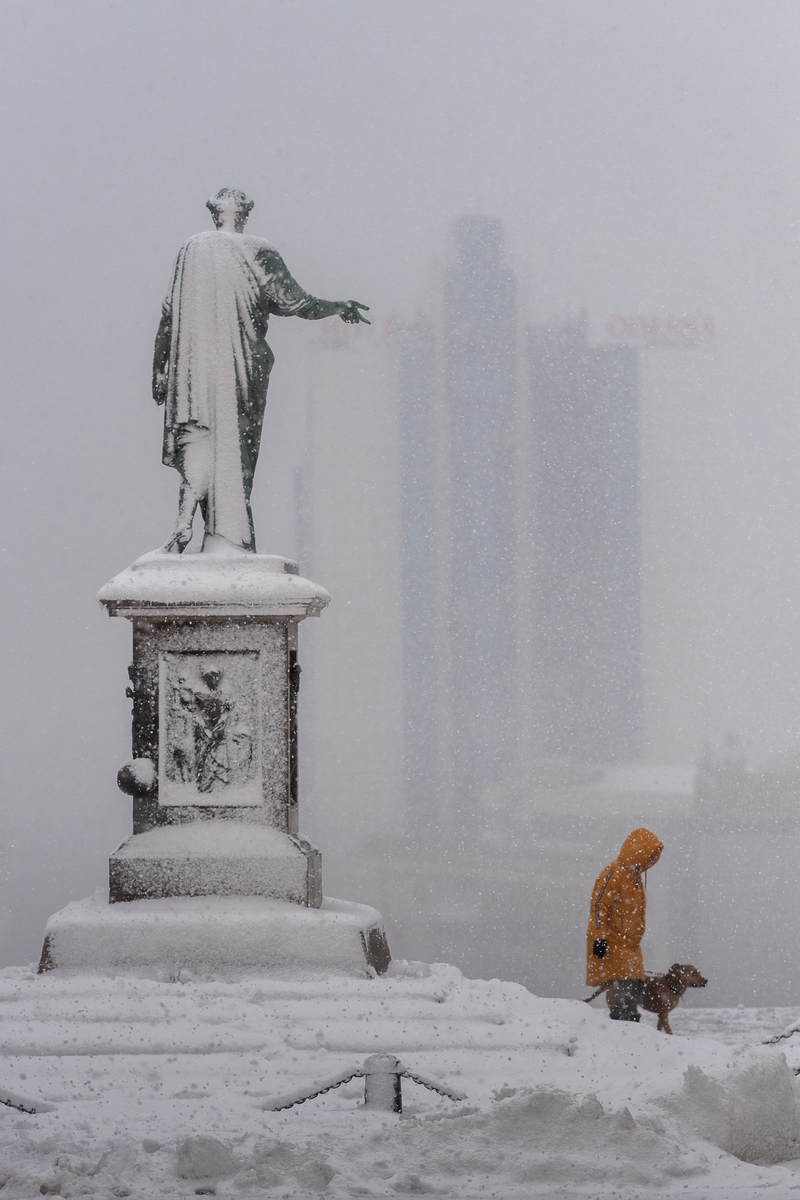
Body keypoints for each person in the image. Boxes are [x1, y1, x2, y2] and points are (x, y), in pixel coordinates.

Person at [152, 188, 370, 554]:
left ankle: (189, 520)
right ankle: (230, 537)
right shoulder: (256, 249)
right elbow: (297, 302)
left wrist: (160, 370)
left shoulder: (192, 249)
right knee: (235, 451)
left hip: (196, 368)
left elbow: (168, 317)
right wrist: (338, 306)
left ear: (213, 213)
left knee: (200, 434)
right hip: (238, 368)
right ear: (244, 215)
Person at [586, 827, 663, 1021]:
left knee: (636, 984)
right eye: (649, 854)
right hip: (613, 940)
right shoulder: (614, 873)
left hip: (630, 945)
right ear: (638, 852)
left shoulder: (634, 876)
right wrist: (599, 937)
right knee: (629, 983)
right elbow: (599, 906)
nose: (650, 860)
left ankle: (624, 1020)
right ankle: (624, 1021)